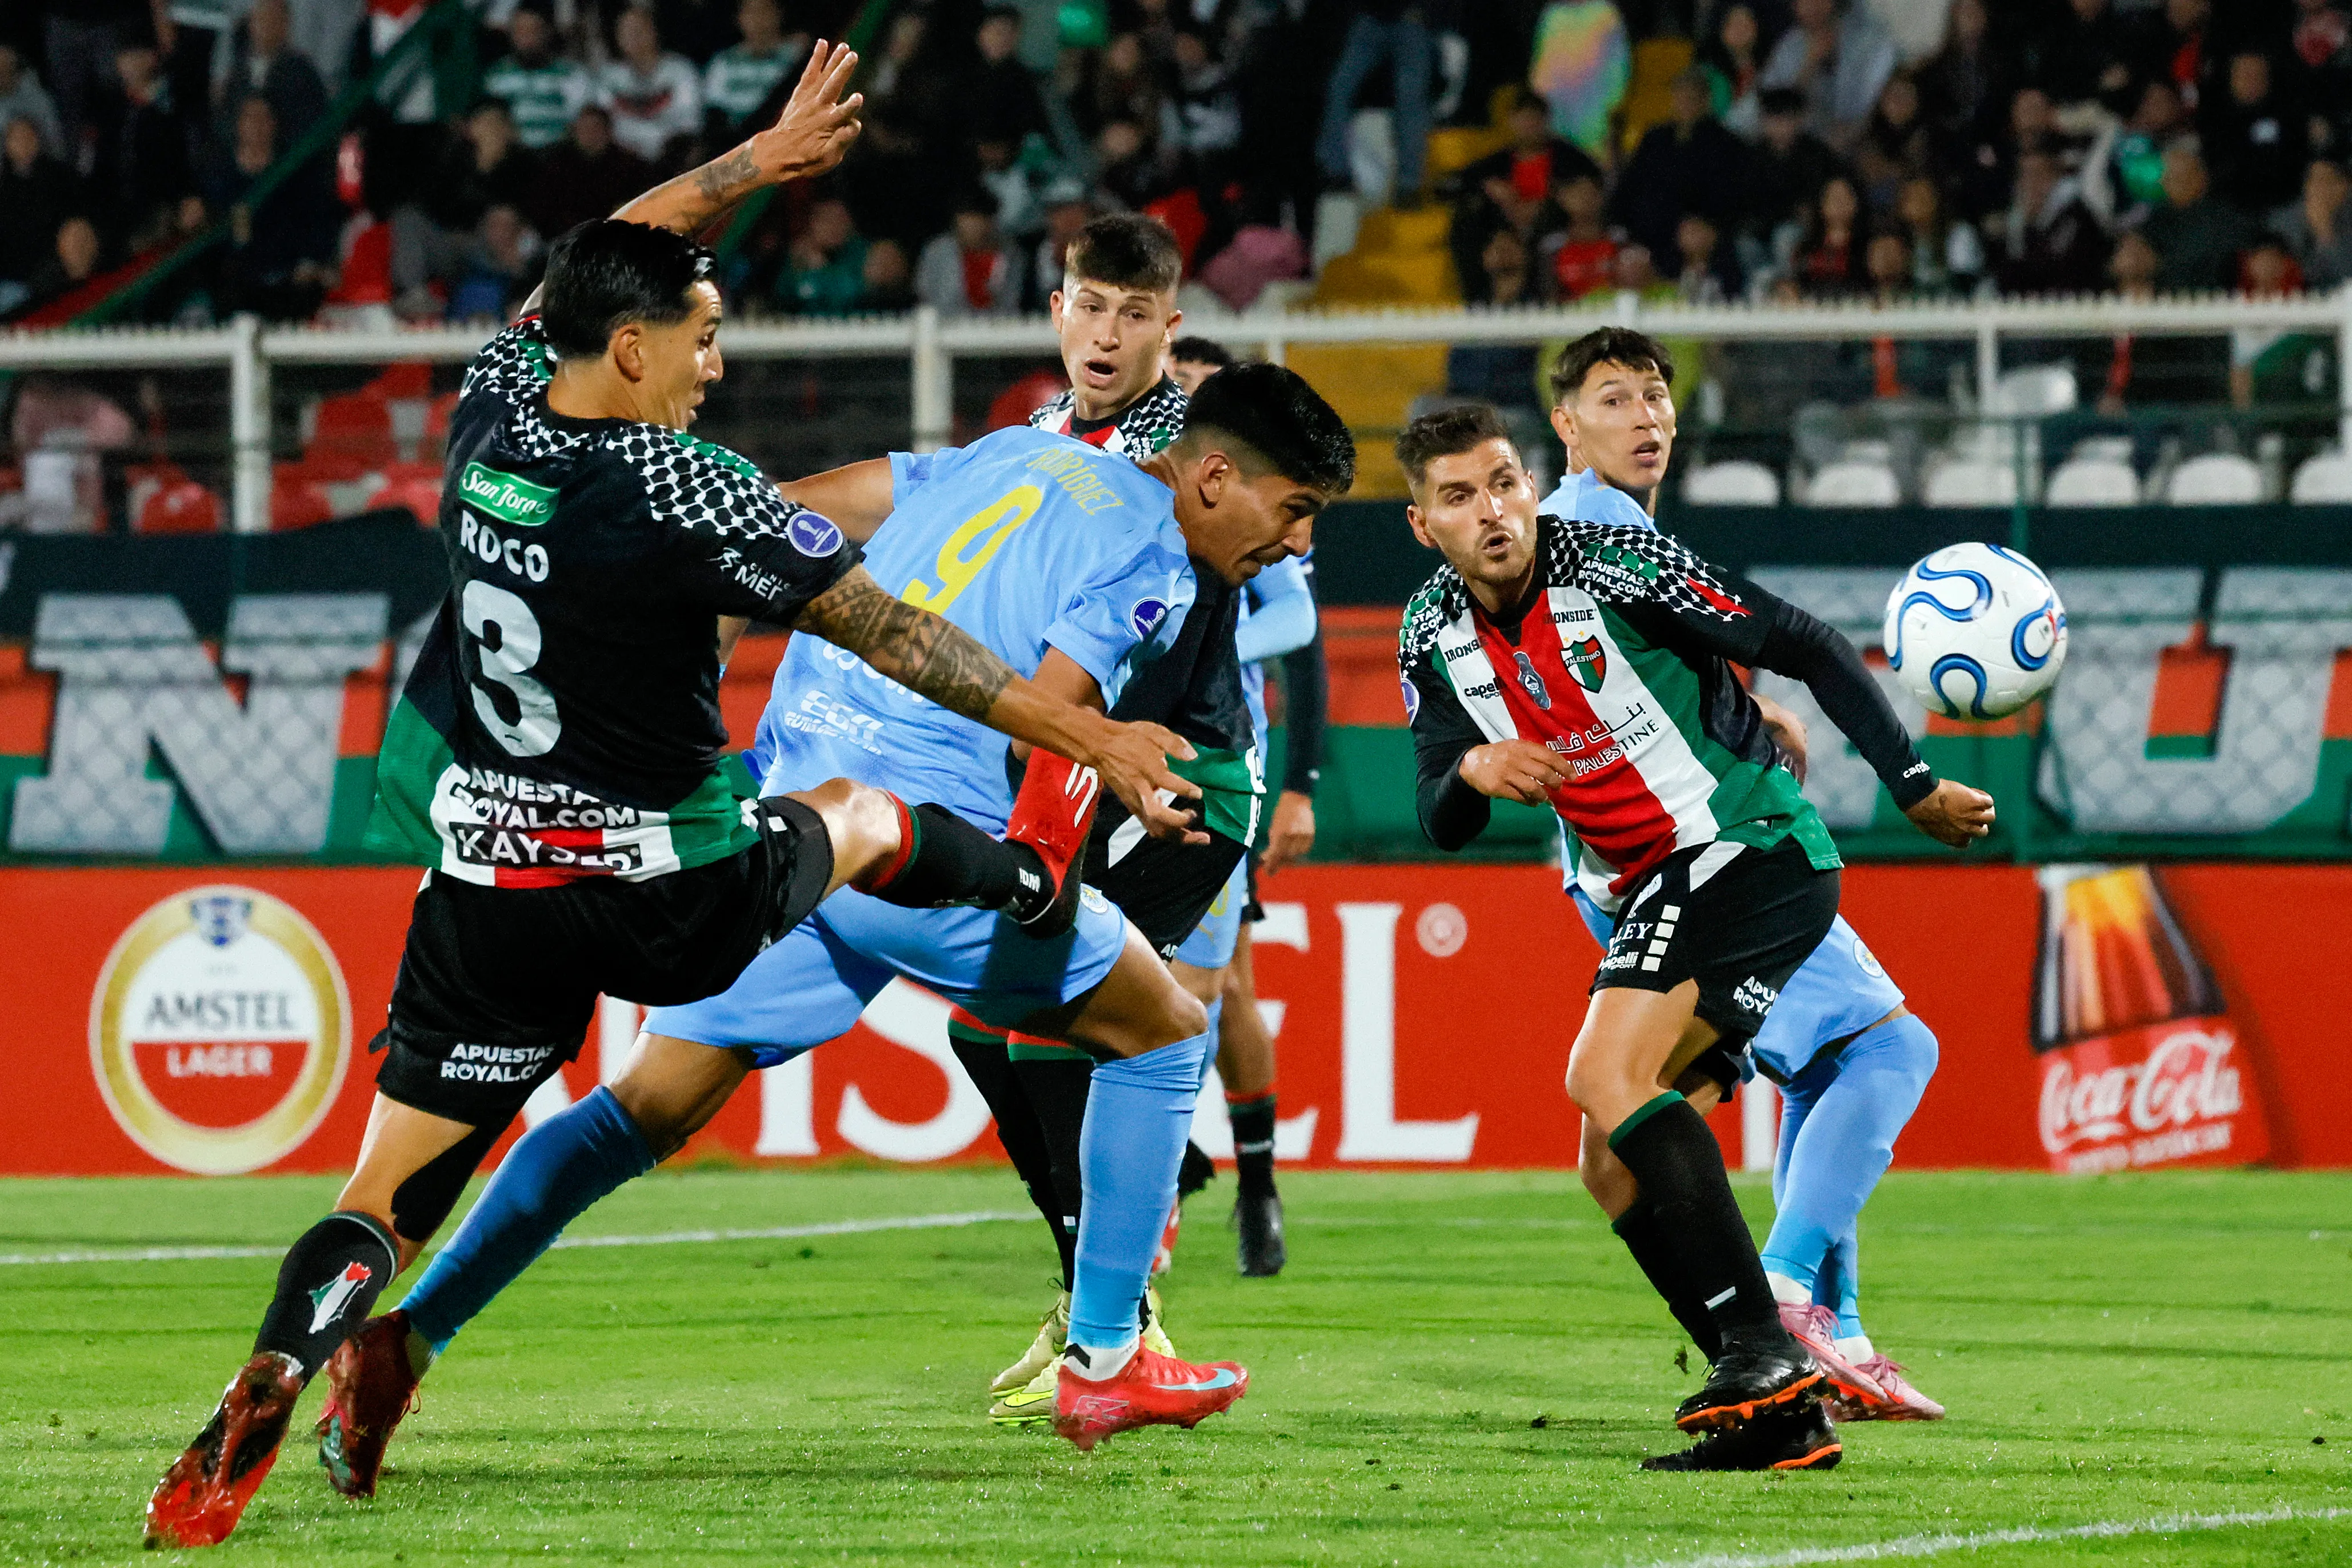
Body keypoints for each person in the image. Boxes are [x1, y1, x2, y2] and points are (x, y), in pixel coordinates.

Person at [141, 47, 1198, 1547]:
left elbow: (590, 268)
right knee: (878, 829)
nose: (716, 363)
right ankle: (1106, 1326)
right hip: (667, 886)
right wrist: (1077, 735)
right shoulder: (693, 491)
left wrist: (751, 165)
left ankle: (325, 1352)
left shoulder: (489, 416)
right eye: (698, 337)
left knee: (408, 1191)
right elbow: (900, 637)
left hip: (489, 884)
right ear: (631, 349)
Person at [321, 359, 1355, 1478]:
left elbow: (804, 515)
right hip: (914, 850)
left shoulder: (1014, 452)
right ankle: (1107, 1355)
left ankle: (404, 1339)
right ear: (1215, 476)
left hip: (796, 822)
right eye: (1295, 508)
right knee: (1163, 1029)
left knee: (643, 1108)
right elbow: (1056, 714)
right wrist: (1078, 823)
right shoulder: (1153, 553)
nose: (1298, 542)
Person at [1395, 384, 1992, 1470]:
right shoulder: (1429, 633)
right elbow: (1440, 811)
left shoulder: (1612, 562)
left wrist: (1910, 783)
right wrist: (1475, 766)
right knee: (1607, 1160)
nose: (1492, 510)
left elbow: (1805, 641)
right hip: (1660, 883)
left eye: (1504, 482)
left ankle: (1763, 1347)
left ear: (1530, 484)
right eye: (1459, 496)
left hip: (1749, 846)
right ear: (1423, 523)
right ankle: (1774, 1409)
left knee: (1603, 1071)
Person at [1539, 326, 1954, 1427]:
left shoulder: (1590, 533)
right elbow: (1792, 642)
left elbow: (1607, 681)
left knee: (1816, 1069)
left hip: (1635, 872)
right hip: (1705, 862)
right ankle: (1781, 1295)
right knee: (1890, 1047)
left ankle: (1833, 1333)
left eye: (1656, 395)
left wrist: (1740, 706)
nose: (1646, 415)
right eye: (1615, 398)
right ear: (1566, 425)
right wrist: (1907, 776)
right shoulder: (1592, 531)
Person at [976, 223, 1323, 1429]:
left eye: (1135, 313)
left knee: (1116, 1018)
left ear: (1169, 328)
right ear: (1058, 310)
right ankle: (1099, 1311)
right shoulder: (1035, 441)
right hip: (1072, 764)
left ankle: (1118, 1320)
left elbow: (1283, 599)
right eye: (1091, 306)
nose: (1108, 334)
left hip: (1175, 775)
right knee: (1007, 1030)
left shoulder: (1196, 454)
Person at [598, 6, 702, 166]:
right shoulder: (609, 76)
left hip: (672, 158)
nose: (633, 36)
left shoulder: (681, 70)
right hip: (621, 161)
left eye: (639, 30)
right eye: (626, 31)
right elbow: (599, 124)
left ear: (654, 32)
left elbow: (690, 123)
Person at [483, 4, 593, 151]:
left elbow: (582, 122)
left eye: (533, 30)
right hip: (513, 156)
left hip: (560, 154)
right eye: (520, 30)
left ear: (547, 32)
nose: (526, 37)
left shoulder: (572, 74)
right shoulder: (497, 75)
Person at [703, 0, 806, 130]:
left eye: (765, 10)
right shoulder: (724, 62)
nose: (758, 18)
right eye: (751, 12)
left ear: (779, 14)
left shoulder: (797, 58)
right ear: (739, 18)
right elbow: (715, 109)